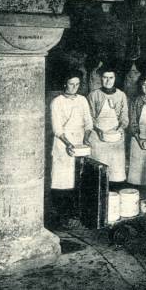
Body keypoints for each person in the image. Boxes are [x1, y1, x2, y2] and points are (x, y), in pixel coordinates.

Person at [50, 71, 93, 220]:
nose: (74, 87)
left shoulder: (82, 100)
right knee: (62, 181)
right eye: (71, 84)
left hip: (80, 143)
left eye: (77, 84)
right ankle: (62, 215)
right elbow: (57, 128)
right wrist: (68, 144)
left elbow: (88, 122)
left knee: (78, 179)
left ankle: (76, 213)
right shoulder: (57, 102)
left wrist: (86, 139)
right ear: (64, 84)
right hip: (63, 144)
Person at [86, 68, 129, 183]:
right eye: (105, 77)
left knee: (115, 171)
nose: (108, 80)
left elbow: (124, 117)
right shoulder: (93, 95)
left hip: (116, 137)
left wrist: (120, 129)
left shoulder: (121, 95)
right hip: (98, 136)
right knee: (99, 170)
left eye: (111, 77)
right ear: (101, 79)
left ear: (115, 79)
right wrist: (98, 130)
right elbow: (89, 117)